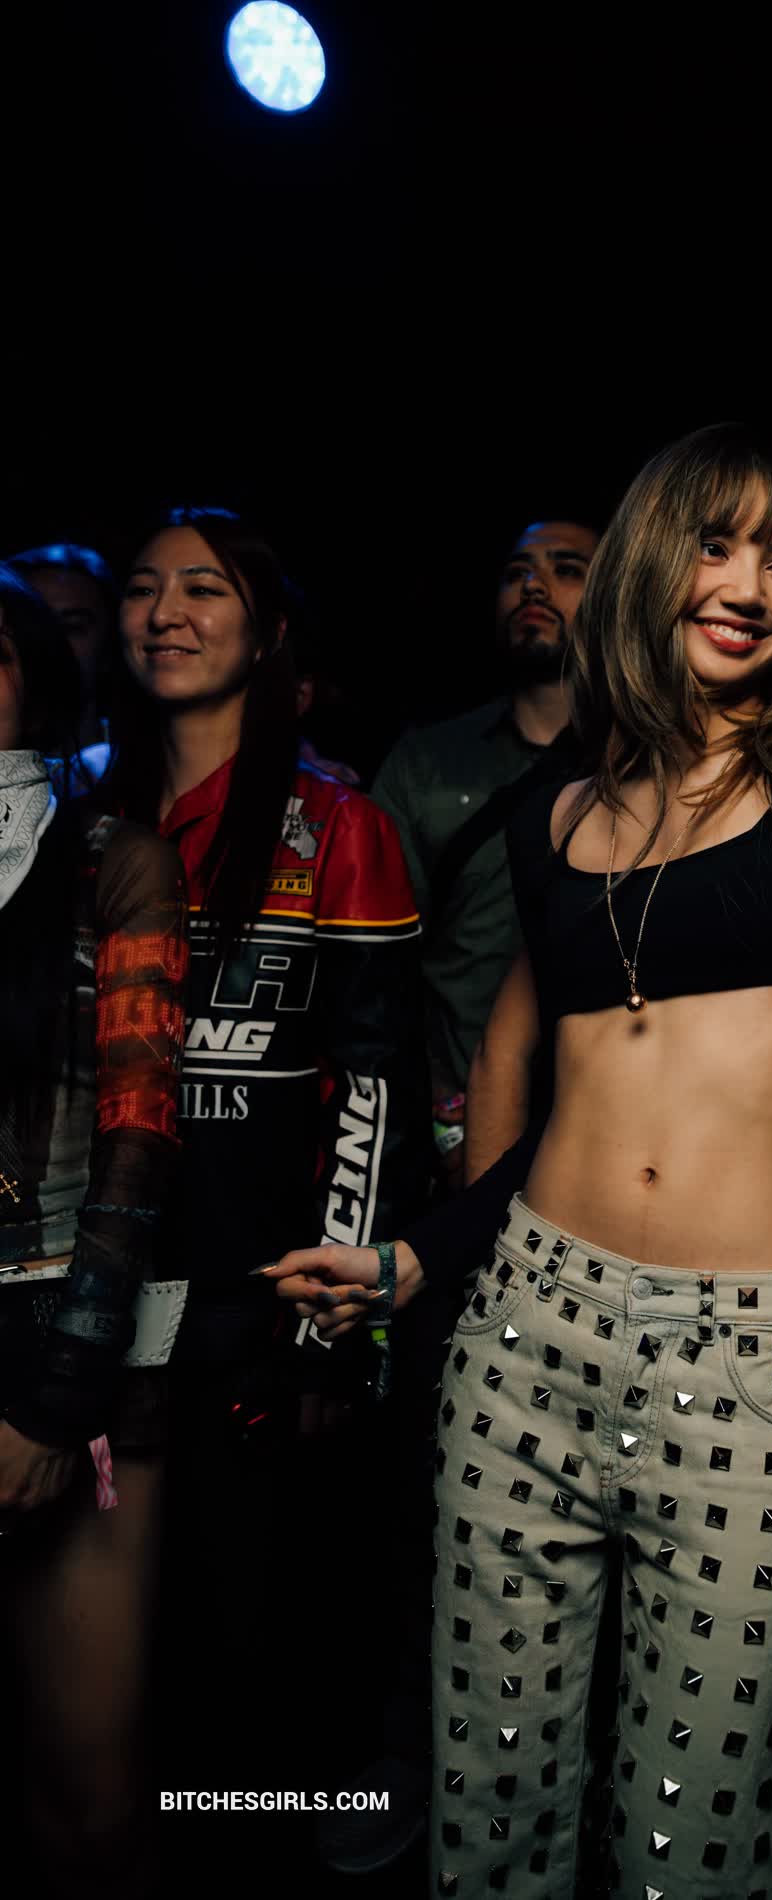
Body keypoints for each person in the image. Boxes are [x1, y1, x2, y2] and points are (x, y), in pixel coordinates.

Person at [262, 426, 772, 1900]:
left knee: (694, 1836)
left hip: (751, 1362)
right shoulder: (558, 815)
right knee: (491, 1811)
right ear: (653, 562)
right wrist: (412, 1259)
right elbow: (560, 1126)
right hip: (527, 1336)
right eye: (717, 545)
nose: (750, 584)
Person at [103, 507, 429, 1780]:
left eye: (202, 588)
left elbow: (376, 1089)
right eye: (143, 587)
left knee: (255, 1624)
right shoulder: (73, 809)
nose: (165, 612)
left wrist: (335, 1327)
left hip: (260, 1296)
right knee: (121, 1645)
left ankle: (266, 1830)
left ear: (269, 630)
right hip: (100, 1290)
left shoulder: (336, 826)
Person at [0, 565, 188, 1899]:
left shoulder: (113, 861)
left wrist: (56, 1398)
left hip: (64, 1334)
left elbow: (140, 1140)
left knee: (90, 1791)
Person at [373, 517, 600, 1177]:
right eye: (515, 573)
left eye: (566, 570)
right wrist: (433, 1109)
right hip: (453, 1126)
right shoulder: (426, 761)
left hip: (612, 1125)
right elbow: (379, 971)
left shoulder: (651, 759)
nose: (533, 585)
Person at [8, 542, 117, 779]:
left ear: (110, 645)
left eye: (72, 627)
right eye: (30, 626)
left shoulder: (137, 766)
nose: (51, 642)